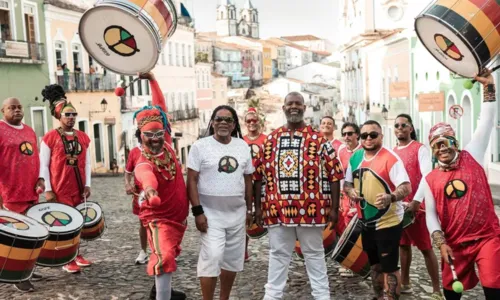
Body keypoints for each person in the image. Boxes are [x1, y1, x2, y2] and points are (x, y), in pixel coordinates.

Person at [256, 92, 344, 300]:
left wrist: (333, 209)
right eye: (289, 104)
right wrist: (258, 208)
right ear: (284, 108)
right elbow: (257, 174)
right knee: (278, 255)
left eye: (298, 104)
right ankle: (272, 296)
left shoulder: (318, 139)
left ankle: (322, 297)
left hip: (311, 210)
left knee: (314, 255)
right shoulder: (271, 140)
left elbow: (335, 174)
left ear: (305, 108)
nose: (293, 107)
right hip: (276, 210)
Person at [423, 70, 500, 300]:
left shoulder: (473, 155)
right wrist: (441, 243)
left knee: (494, 289)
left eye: (446, 142)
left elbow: (486, 122)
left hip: (487, 237)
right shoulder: (431, 179)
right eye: (437, 146)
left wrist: (489, 87)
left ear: (454, 142)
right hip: (454, 243)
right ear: (433, 151)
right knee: (451, 293)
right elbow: (430, 215)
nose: (443, 148)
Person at [187, 105, 255, 300]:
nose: (223, 123)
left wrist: (249, 209)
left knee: (232, 260)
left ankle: (224, 298)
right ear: (212, 123)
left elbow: (248, 178)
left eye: (228, 120)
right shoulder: (200, 146)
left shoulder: (242, 146)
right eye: (219, 119)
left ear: (234, 125)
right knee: (213, 256)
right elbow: (191, 179)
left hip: (237, 214)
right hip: (210, 214)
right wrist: (197, 211)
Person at [132, 72, 188, 300]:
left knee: (167, 253)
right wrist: (149, 189)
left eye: (158, 133)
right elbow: (145, 174)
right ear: (140, 136)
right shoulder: (143, 160)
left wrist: (152, 79)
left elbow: (161, 106)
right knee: (163, 257)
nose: (155, 139)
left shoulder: (167, 145)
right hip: (159, 219)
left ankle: (162, 290)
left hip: (178, 218)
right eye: (148, 135)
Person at [344, 120, 411, 300]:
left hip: (388, 221)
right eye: (364, 135)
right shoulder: (355, 158)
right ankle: (378, 297)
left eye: (373, 135)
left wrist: (391, 197)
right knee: (374, 264)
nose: (368, 139)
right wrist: (351, 192)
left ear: (381, 136)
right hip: (366, 221)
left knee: (389, 266)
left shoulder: (390, 158)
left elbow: (406, 186)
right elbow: (347, 183)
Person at [38, 84, 92, 274]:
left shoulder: (83, 137)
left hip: (78, 188)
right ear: (59, 117)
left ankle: (76, 254)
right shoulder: (50, 138)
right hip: (60, 188)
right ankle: (64, 258)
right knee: (64, 225)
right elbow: (43, 165)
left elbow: (86, 163)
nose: (71, 118)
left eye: (73, 114)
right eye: (67, 115)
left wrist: (87, 184)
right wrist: (48, 189)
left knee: (78, 224)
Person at [392, 114, 442, 299]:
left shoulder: (420, 149)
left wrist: (417, 201)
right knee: (403, 246)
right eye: (396, 125)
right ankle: (405, 283)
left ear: (411, 128)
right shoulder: (392, 151)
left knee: (426, 247)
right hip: (399, 208)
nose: (399, 128)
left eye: (403, 125)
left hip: (416, 209)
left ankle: (437, 290)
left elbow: (427, 176)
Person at [0, 97, 45, 292]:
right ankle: (17, 276)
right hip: (9, 192)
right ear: (3, 111)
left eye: (19, 107)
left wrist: (40, 179)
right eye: (12, 107)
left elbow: (35, 158)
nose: (17, 110)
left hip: (31, 192)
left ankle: (27, 268)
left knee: (30, 234)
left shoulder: (29, 130)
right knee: (16, 236)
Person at [335, 122, 361, 277]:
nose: (347, 137)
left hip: (361, 195)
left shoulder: (363, 150)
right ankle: (348, 263)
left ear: (357, 135)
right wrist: (338, 196)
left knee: (361, 228)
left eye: (350, 133)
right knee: (346, 229)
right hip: (345, 195)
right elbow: (339, 175)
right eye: (344, 134)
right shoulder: (341, 151)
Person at [242, 107, 267, 262]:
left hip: (263, 184)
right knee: (243, 217)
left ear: (259, 122)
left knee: (267, 216)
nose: (252, 123)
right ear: (245, 123)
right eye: (249, 121)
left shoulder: (266, 139)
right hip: (245, 183)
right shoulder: (240, 141)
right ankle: (242, 252)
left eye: (254, 120)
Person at [124, 129, 148, 265]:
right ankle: (144, 251)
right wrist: (127, 184)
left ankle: (164, 251)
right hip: (140, 194)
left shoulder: (162, 149)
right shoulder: (134, 152)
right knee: (143, 223)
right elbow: (127, 172)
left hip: (158, 193)